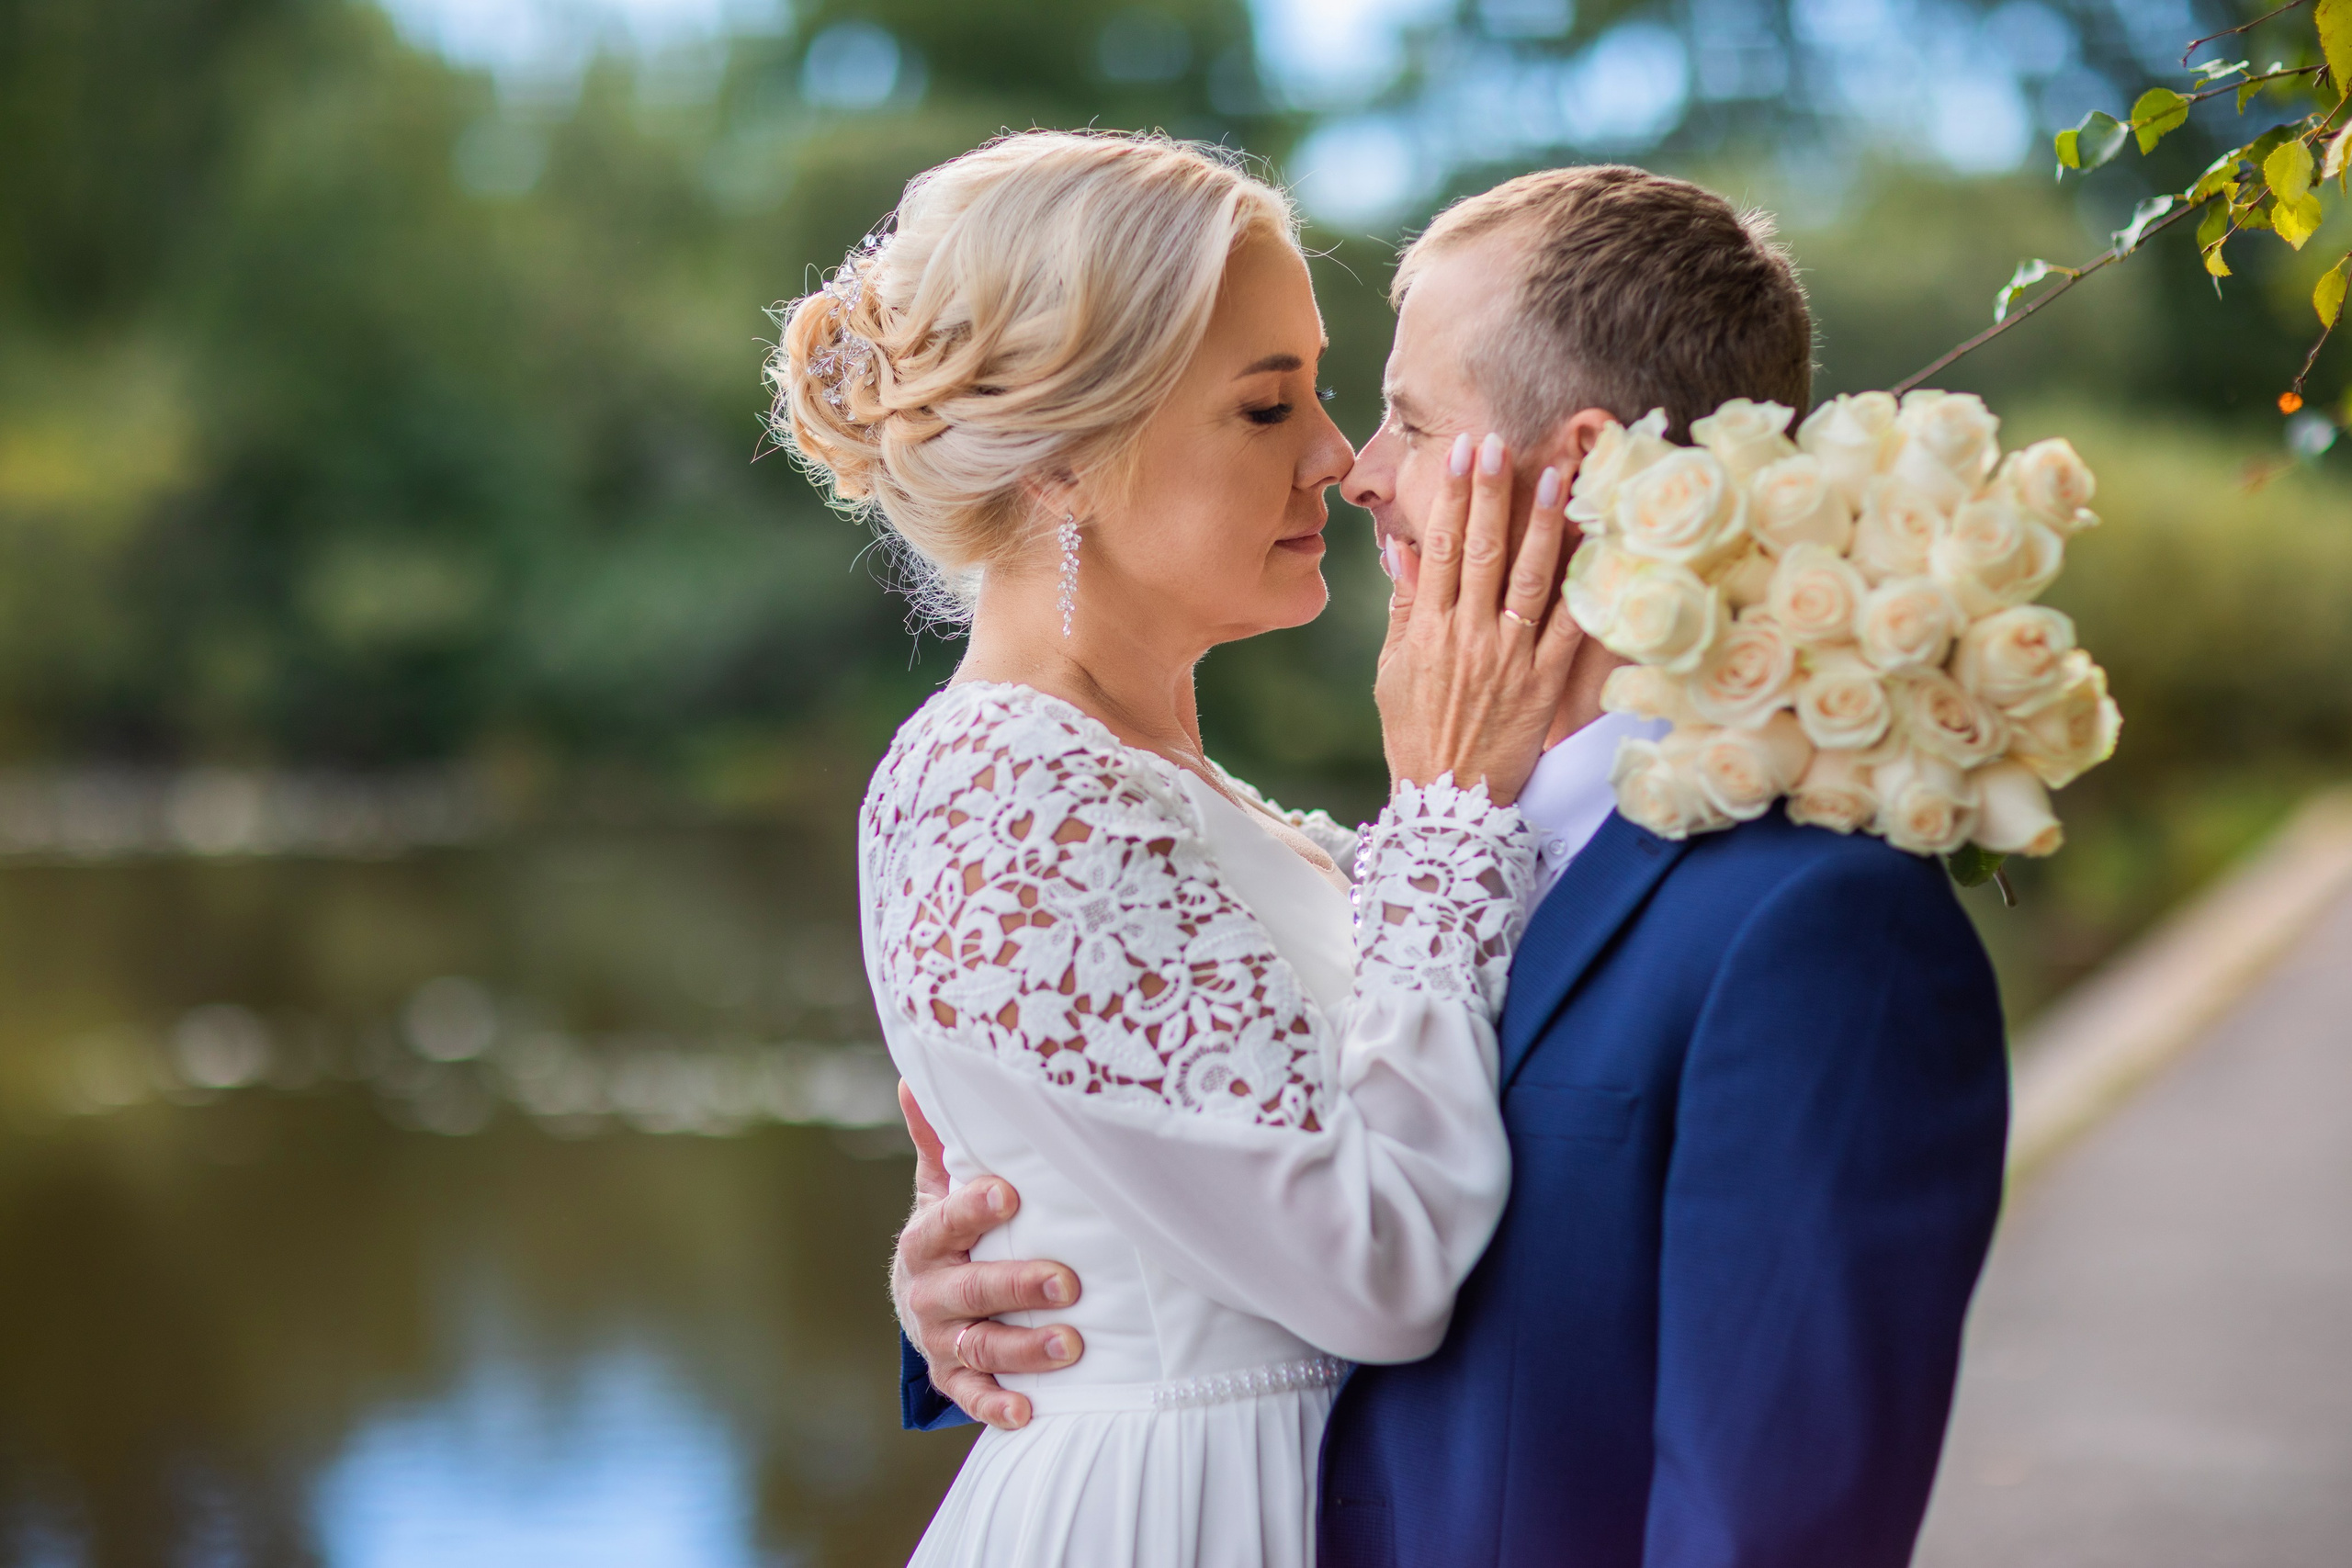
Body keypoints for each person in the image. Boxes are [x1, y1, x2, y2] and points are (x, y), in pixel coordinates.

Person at [894, 165, 2012, 1567]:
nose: (1351, 465)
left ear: (1588, 469)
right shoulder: (1442, 837)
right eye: (1275, 403)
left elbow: (1771, 1519)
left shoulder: (1814, 920)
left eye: (1406, 421)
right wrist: (1028, 1250)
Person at [769, 130, 1589, 1567]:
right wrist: (1450, 808)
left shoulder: (1170, 793)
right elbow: (1378, 1271)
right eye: (1268, 408)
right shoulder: (1004, 790)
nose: (1339, 461)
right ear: (1067, 463)